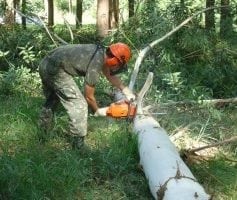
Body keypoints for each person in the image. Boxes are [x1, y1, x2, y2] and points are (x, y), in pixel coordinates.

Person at [38, 42, 135, 149]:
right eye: (118, 64)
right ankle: (78, 144)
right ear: (114, 59)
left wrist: (125, 90)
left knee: (53, 99)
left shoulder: (101, 53)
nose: (117, 67)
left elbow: (109, 75)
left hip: (46, 63)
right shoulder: (96, 63)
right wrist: (97, 110)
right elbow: (89, 96)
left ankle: (43, 133)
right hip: (55, 69)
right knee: (79, 104)